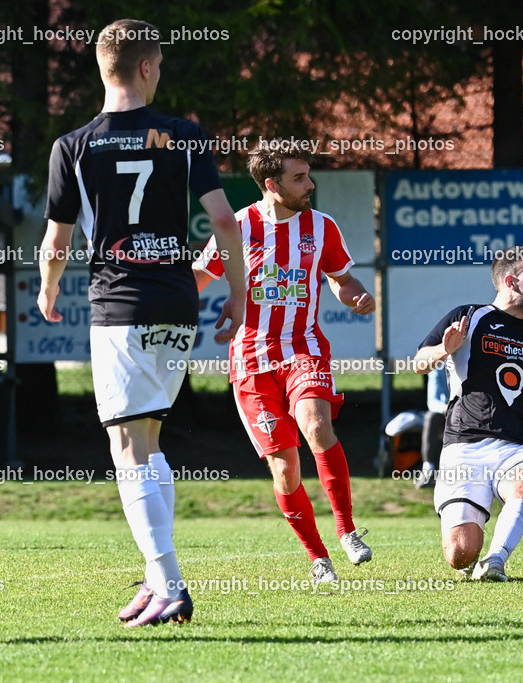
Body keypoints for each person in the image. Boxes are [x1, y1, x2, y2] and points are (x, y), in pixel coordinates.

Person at [38, 19, 245, 627]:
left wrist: (49, 290)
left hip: (119, 304)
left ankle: (171, 582)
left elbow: (57, 241)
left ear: (103, 69)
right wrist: (234, 293)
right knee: (145, 442)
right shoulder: (184, 135)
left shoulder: (73, 145)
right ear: (149, 67)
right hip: (177, 302)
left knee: (128, 446)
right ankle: (158, 582)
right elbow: (224, 223)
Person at [193, 142, 375, 585]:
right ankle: (319, 557)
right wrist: (158, 301)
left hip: (303, 347)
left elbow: (341, 278)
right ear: (271, 185)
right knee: (285, 468)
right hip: (252, 359)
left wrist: (356, 296)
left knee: (316, 426)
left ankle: (347, 530)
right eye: (299, 178)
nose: (310, 184)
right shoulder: (237, 227)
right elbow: (199, 277)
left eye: (309, 175)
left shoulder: (322, 226)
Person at [413, 245, 523, 582]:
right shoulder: (469, 316)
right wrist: (444, 350)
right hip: (464, 445)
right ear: (510, 280)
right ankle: (474, 552)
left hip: (517, 445)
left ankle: (496, 561)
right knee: (459, 554)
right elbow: (420, 363)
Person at [416, 366, 449, 489]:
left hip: (469, 412)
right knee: (431, 418)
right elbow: (432, 402)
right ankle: (429, 469)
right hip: (447, 411)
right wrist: (446, 408)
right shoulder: (438, 367)